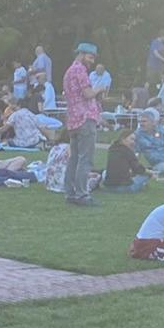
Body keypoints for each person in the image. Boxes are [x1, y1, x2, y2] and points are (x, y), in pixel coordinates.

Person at [63, 43, 102, 207]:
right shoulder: (80, 70)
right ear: (81, 54)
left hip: (73, 120)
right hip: (85, 118)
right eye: (90, 57)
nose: (92, 61)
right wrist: (98, 89)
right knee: (85, 159)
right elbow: (87, 93)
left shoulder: (68, 71)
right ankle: (82, 194)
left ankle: (70, 193)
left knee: (74, 159)